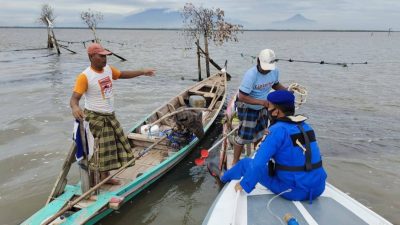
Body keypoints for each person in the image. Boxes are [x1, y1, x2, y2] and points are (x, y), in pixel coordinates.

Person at [70, 43, 156, 185]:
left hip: (110, 115)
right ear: (91, 56)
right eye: (101, 56)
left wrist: (142, 72)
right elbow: (74, 99)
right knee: (98, 150)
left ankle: (105, 177)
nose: (105, 59)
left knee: (112, 147)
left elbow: (122, 74)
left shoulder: (108, 70)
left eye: (106, 56)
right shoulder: (85, 76)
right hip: (95, 117)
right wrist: (75, 108)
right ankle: (94, 180)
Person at [221, 90, 327, 201]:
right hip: (319, 188)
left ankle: (222, 178)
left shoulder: (277, 130)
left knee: (245, 163)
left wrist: (244, 184)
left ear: (276, 112)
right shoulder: (306, 127)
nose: (267, 110)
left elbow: (258, 164)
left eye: (269, 106)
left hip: (294, 191)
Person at [233, 48, 287, 165]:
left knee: (261, 133)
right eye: (265, 67)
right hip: (247, 106)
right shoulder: (251, 75)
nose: (267, 71)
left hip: (263, 105)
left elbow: (276, 84)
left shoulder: (274, 71)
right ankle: (235, 162)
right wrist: (262, 103)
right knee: (243, 136)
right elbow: (242, 97)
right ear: (258, 61)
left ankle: (257, 157)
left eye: (269, 68)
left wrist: (287, 91)